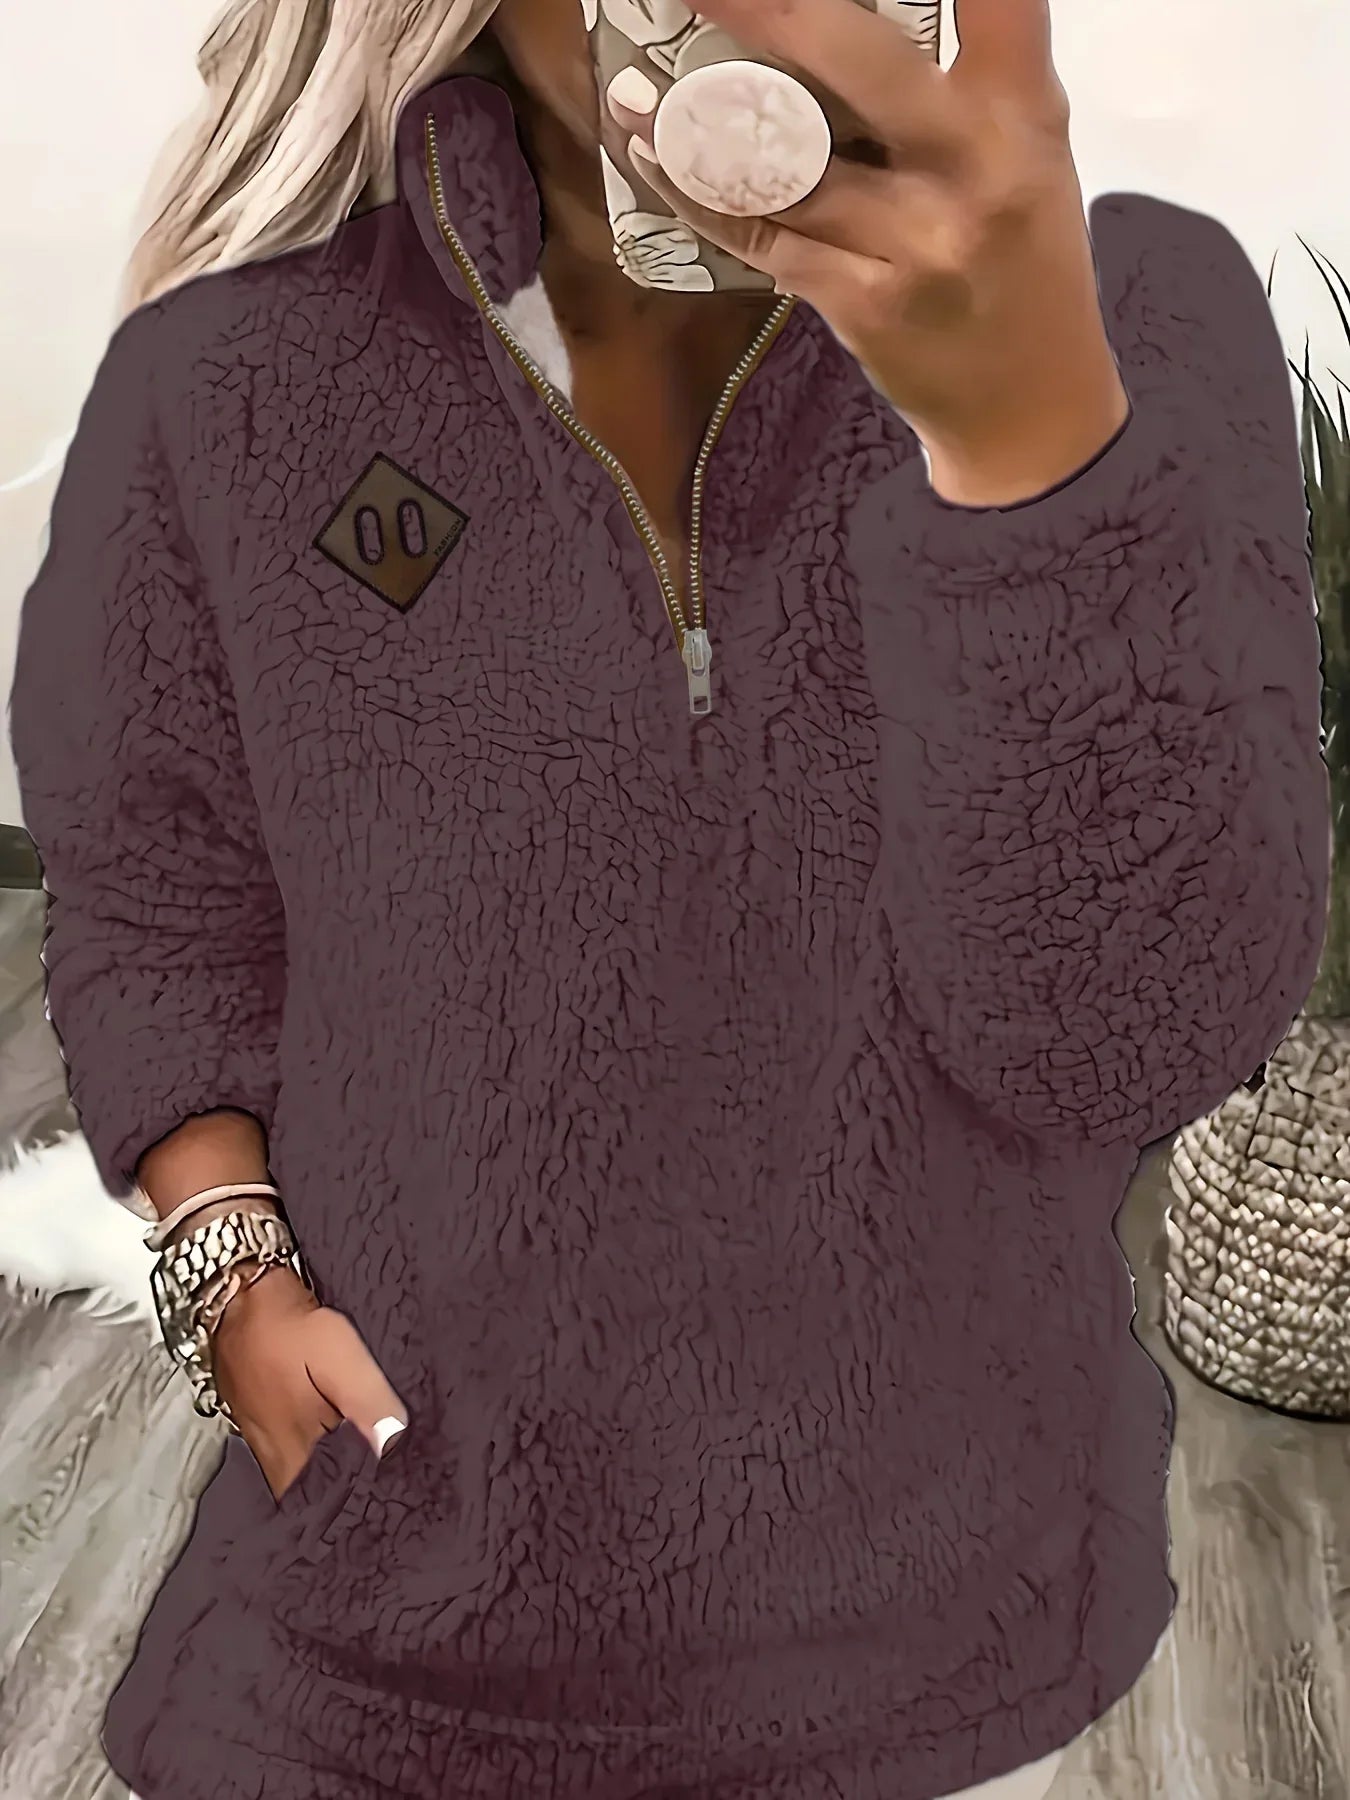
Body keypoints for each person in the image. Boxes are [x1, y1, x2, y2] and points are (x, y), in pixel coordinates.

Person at [8, 0, 1329, 1795]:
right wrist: (224, 1255)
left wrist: (1028, 459)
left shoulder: (1135, 326)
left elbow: (1127, 1043)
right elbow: (159, 889)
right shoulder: (231, 379)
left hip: (966, 1639)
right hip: (384, 1637)